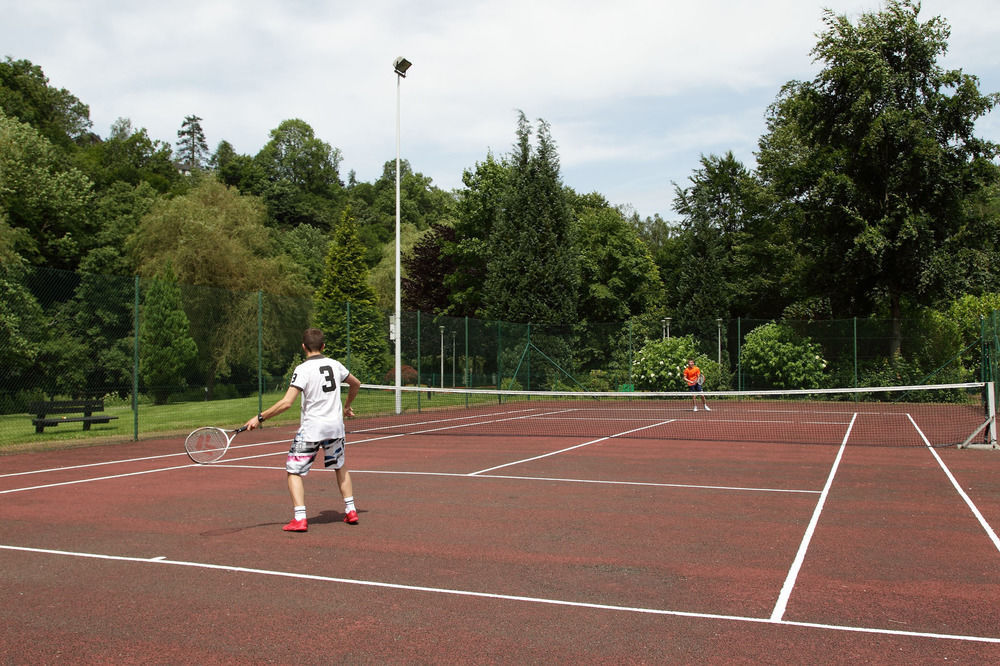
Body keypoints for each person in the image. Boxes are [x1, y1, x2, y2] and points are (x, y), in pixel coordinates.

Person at [244, 327, 361, 532]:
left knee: (293, 470)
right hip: (335, 427)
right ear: (323, 346)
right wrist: (347, 405)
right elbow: (356, 383)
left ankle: (300, 518)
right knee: (340, 465)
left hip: (312, 428)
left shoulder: (302, 369)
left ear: (303, 347)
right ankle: (351, 510)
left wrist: (260, 417)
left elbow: (287, 402)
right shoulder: (335, 365)